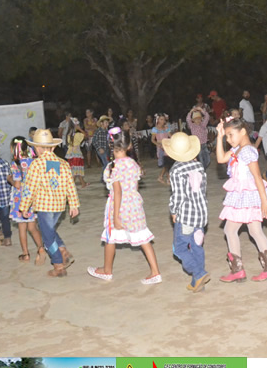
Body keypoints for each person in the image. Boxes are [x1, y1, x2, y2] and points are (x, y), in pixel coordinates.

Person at [88, 128, 160, 284]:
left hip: (119, 206)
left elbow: (118, 192)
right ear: (129, 146)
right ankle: (155, 272)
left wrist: (116, 217)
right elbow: (134, 187)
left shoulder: (112, 167)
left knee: (110, 237)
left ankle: (107, 270)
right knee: (143, 237)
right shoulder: (133, 164)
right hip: (134, 205)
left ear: (110, 145)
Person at [215, 116, 267, 283]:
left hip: (247, 195)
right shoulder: (237, 149)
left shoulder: (248, 151)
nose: (228, 139)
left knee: (230, 230)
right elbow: (220, 159)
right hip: (243, 195)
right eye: (227, 136)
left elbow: (257, 176)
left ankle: (238, 271)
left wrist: (264, 201)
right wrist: (219, 136)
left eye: (231, 135)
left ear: (243, 131)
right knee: (255, 231)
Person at [20, 129, 79, 277]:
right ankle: (63, 251)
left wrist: (24, 206)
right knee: (49, 230)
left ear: (37, 148)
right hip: (59, 206)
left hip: (44, 206)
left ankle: (58, 265)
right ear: (53, 147)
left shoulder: (36, 165)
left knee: (47, 237)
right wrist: (74, 204)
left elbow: (29, 188)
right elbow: (70, 185)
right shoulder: (63, 163)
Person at [163, 132, 210, 293]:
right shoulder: (199, 166)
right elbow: (203, 189)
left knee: (180, 248)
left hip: (186, 216)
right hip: (201, 214)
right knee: (197, 246)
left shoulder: (176, 170)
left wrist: (173, 211)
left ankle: (199, 273)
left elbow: (178, 195)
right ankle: (197, 282)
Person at [9, 137, 45, 265]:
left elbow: (17, 184)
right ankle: (41, 248)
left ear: (13, 149)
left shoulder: (16, 164)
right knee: (32, 227)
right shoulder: (34, 161)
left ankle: (25, 254)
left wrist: (9, 179)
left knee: (22, 228)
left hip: (20, 200)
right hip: (32, 198)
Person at [150, 113, 171, 185]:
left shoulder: (166, 128)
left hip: (167, 147)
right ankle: (165, 177)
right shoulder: (155, 129)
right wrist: (158, 145)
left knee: (167, 163)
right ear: (158, 120)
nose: (163, 121)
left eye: (164, 119)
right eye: (161, 119)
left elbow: (170, 136)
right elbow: (152, 140)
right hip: (160, 148)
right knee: (166, 163)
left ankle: (164, 177)